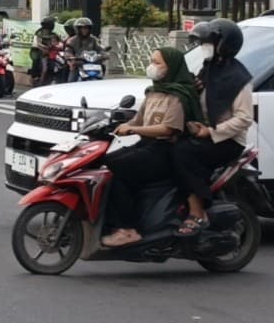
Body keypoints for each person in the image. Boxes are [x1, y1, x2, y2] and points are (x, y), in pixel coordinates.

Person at [100, 47, 200, 247]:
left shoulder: (178, 96)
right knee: (104, 163)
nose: (152, 67)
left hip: (165, 151)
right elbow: (138, 120)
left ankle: (127, 229)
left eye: (157, 63)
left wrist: (134, 130)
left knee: (116, 168)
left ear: (170, 67)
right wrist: (116, 124)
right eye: (152, 61)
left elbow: (168, 129)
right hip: (146, 146)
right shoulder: (154, 91)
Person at [172, 19, 253, 237]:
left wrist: (210, 131)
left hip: (227, 141)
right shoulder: (208, 69)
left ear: (223, 44)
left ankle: (198, 213)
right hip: (202, 131)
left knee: (182, 152)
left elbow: (244, 119)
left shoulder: (238, 78)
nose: (204, 46)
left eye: (208, 42)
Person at [65, 17, 105, 82]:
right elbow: (68, 51)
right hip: (78, 64)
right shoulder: (72, 40)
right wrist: (71, 57)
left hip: (93, 64)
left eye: (87, 28)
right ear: (78, 29)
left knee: (102, 68)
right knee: (71, 79)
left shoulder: (93, 39)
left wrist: (104, 54)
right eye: (83, 28)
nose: (85, 30)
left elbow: (100, 48)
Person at [29, 16, 57, 82]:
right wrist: (44, 48)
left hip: (49, 51)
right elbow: (37, 43)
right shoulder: (39, 32)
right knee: (35, 58)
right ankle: (35, 75)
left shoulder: (53, 33)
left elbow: (57, 42)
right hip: (37, 50)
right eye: (52, 23)